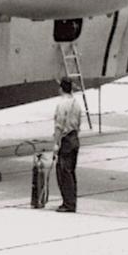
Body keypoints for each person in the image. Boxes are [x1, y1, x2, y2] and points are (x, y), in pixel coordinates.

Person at [52, 78, 83, 213]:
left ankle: (68, 204)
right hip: (75, 138)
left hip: (66, 140)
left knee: (64, 173)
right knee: (71, 172)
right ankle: (71, 201)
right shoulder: (76, 103)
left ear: (61, 89)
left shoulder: (61, 104)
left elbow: (59, 126)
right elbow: (79, 122)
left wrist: (56, 144)